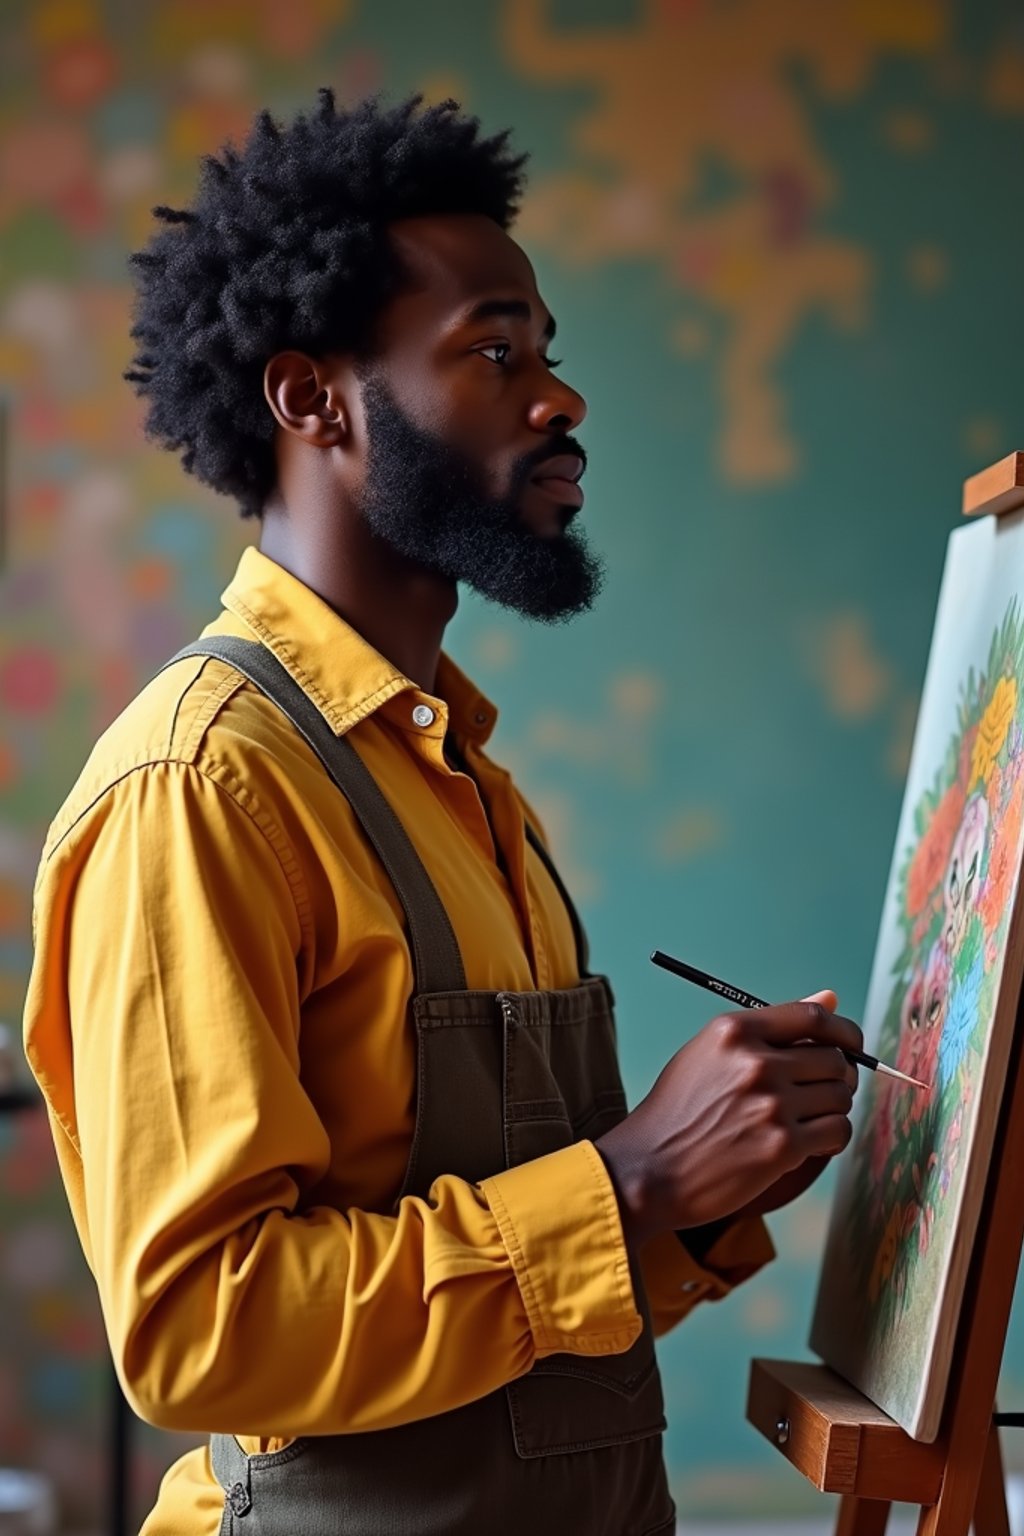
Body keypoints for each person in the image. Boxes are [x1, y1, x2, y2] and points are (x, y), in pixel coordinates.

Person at [22, 90, 862, 1536]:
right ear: (312, 400)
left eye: (548, 352)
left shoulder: (463, 780)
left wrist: (714, 1183)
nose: (559, 399)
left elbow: (527, 1321)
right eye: (493, 350)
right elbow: (201, 1333)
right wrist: (638, 1171)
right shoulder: (203, 789)